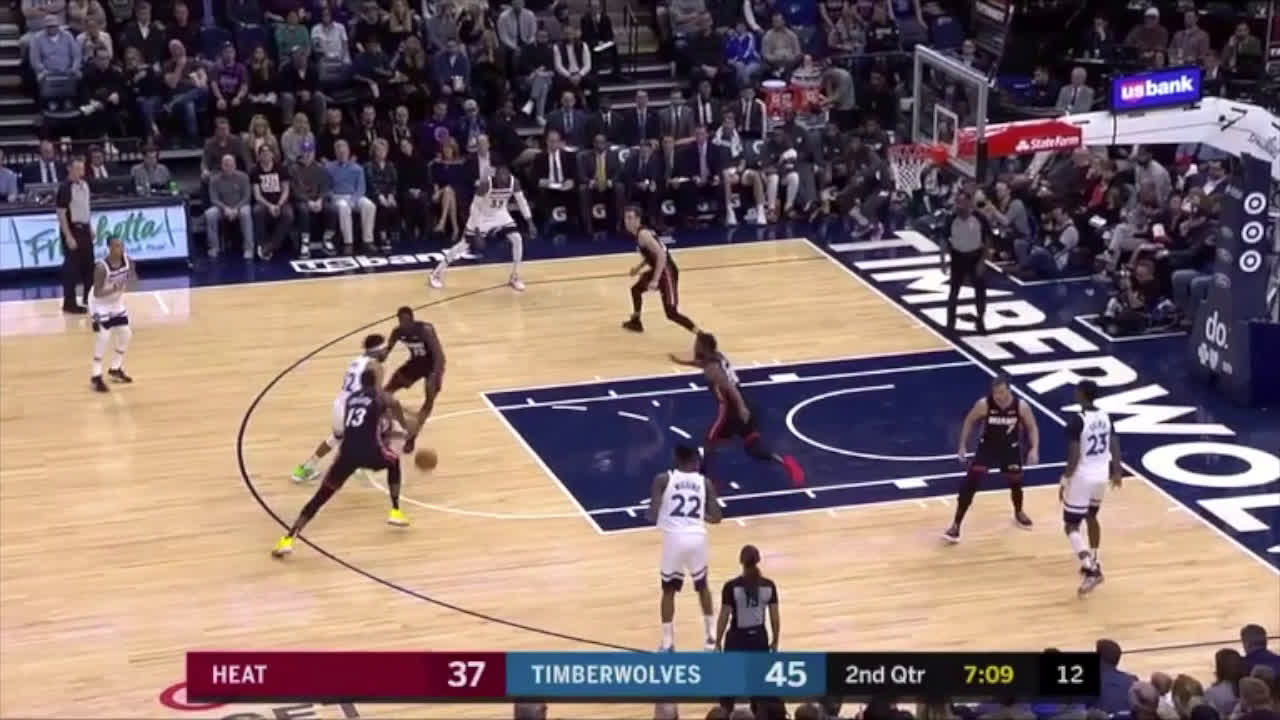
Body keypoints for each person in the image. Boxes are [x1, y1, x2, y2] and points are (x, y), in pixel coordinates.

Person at [272, 367, 417, 557]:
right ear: (376, 382)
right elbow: (394, 407)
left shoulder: (351, 399)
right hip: (371, 453)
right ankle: (395, 510)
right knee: (394, 461)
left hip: (346, 454)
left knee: (321, 497)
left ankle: (288, 539)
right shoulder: (380, 397)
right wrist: (407, 427)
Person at [669, 332, 805, 486]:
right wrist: (681, 362)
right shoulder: (717, 357)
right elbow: (701, 363)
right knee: (754, 447)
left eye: (697, 344)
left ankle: (704, 481)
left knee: (709, 442)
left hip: (730, 410)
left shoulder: (713, 369)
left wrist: (741, 408)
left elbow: (729, 387)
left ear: (703, 347)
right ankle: (787, 464)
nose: (694, 346)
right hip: (744, 401)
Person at [944, 377, 1040, 542]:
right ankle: (956, 525)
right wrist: (962, 445)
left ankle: (1019, 512)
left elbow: (1032, 427)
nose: (998, 396)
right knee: (970, 483)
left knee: (1015, 482)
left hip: (1010, 449)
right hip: (987, 448)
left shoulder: (1021, 406)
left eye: (1001, 392)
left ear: (1009, 390)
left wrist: (1034, 448)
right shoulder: (984, 404)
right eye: (995, 393)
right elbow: (969, 420)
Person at [647, 444, 722, 652]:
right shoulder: (704, 482)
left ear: (676, 459)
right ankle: (711, 640)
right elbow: (717, 517)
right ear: (695, 460)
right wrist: (698, 516)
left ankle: (668, 643)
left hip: (674, 539)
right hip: (697, 538)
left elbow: (652, 514)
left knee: (668, 591)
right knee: (702, 586)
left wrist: (660, 511)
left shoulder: (663, 479)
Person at [292, 333, 389, 483]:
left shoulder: (355, 361)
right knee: (381, 429)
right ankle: (357, 465)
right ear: (377, 350)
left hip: (339, 405)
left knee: (336, 438)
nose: (386, 353)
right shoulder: (376, 367)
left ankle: (306, 468)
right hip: (355, 408)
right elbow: (376, 394)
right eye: (385, 349)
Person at [1061, 380, 1122, 596]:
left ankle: (1091, 568)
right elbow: (1114, 444)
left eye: (1077, 391)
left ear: (1081, 395)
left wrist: (1066, 478)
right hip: (1101, 475)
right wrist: (1117, 471)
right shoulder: (1106, 416)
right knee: (1091, 516)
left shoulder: (1077, 421)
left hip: (1083, 476)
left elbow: (1074, 455)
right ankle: (1095, 558)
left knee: (1070, 525)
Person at [430, 165, 533, 291]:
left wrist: (529, 221)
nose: (502, 180)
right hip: (481, 216)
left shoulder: (514, 183)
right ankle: (436, 273)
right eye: (500, 177)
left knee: (517, 239)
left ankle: (515, 277)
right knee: (462, 246)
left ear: (508, 176)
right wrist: (477, 230)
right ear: (495, 176)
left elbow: (522, 202)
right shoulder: (485, 185)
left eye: (505, 177)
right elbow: (474, 207)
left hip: (500, 214)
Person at [714, 544, 780, 715]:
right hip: (759, 638)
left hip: (737, 639)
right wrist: (775, 640)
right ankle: (759, 714)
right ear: (758, 560)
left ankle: (725, 714)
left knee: (729, 683)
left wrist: (718, 641)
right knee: (759, 685)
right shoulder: (769, 586)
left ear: (741, 561)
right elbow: (774, 617)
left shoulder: (731, 586)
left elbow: (724, 615)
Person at [621, 205, 698, 334]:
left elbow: (661, 255)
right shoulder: (641, 233)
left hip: (667, 271)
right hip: (659, 268)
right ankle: (636, 321)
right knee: (636, 290)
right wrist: (638, 268)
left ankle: (702, 335)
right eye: (625, 218)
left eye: (630, 218)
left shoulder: (643, 235)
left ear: (638, 219)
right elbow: (652, 255)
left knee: (671, 313)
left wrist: (655, 280)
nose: (627, 221)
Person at [383, 306, 445, 454]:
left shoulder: (425, 330)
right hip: (415, 364)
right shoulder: (397, 332)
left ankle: (412, 437)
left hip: (433, 366)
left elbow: (439, 355)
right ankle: (387, 426)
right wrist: (375, 356)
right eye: (400, 321)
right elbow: (387, 351)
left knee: (429, 400)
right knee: (385, 393)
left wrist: (435, 376)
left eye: (406, 321)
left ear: (412, 319)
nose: (403, 324)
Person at [88, 233, 136, 392]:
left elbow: (133, 278)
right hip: (99, 304)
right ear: (109, 248)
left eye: (121, 245)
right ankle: (96, 375)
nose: (120, 249)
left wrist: (128, 283)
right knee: (104, 336)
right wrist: (116, 287)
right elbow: (97, 293)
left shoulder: (128, 261)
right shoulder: (102, 267)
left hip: (115, 302)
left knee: (126, 333)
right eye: (116, 246)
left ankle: (116, 368)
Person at [944, 190, 990, 333]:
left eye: (962, 202)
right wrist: (943, 260)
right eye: (957, 202)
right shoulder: (951, 218)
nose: (959, 205)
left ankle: (981, 320)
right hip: (957, 257)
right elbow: (944, 239)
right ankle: (950, 323)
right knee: (953, 291)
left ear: (969, 203)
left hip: (975, 257)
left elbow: (987, 240)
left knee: (980, 291)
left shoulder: (980, 218)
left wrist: (983, 261)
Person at [55, 156, 92, 315]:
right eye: (77, 168)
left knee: (89, 267)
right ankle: (69, 303)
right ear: (69, 169)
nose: (80, 172)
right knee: (72, 269)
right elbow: (61, 214)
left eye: (82, 168)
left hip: (85, 229)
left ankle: (88, 299)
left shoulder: (85, 185)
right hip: (72, 230)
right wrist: (68, 236)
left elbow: (86, 208)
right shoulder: (65, 188)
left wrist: (90, 227)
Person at [326, 139, 377, 251]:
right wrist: (332, 196)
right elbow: (327, 187)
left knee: (370, 206)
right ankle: (348, 243)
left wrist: (353, 200)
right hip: (338, 197)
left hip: (355, 196)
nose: (342, 154)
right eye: (339, 152)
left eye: (344, 152)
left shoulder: (357, 168)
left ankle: (368, 241)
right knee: (344, 207)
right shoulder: (329, 167)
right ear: (335, 153)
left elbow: (361, 188)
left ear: (348, 152)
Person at [204, 153, 255, 259]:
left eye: (231, 165)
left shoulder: (243, 177)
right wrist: (225, 208)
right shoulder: (214, 179)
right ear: (221, 166)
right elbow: (214, 199)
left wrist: (236, 209)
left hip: (240, 207)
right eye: (226, 165)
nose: (228, 167)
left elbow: (247, 197)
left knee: (245, 213)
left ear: (235, 165)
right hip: (222, 208)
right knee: (210, 214)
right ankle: (214, 247)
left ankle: (249, 248)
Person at [251, 145, 293, 261]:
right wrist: (270, 206)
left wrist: (278, 205)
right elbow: (257, 195)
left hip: (280, 201)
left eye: (268, 153)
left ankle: (271, 246)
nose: (266, 155)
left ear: (272, 155)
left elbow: (286, 190)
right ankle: (261, 243)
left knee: (288, 215)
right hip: (264, 202)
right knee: (257, 211)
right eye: (263, 153)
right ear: (259, 156)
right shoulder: (255, 171)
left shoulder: (281, 168)